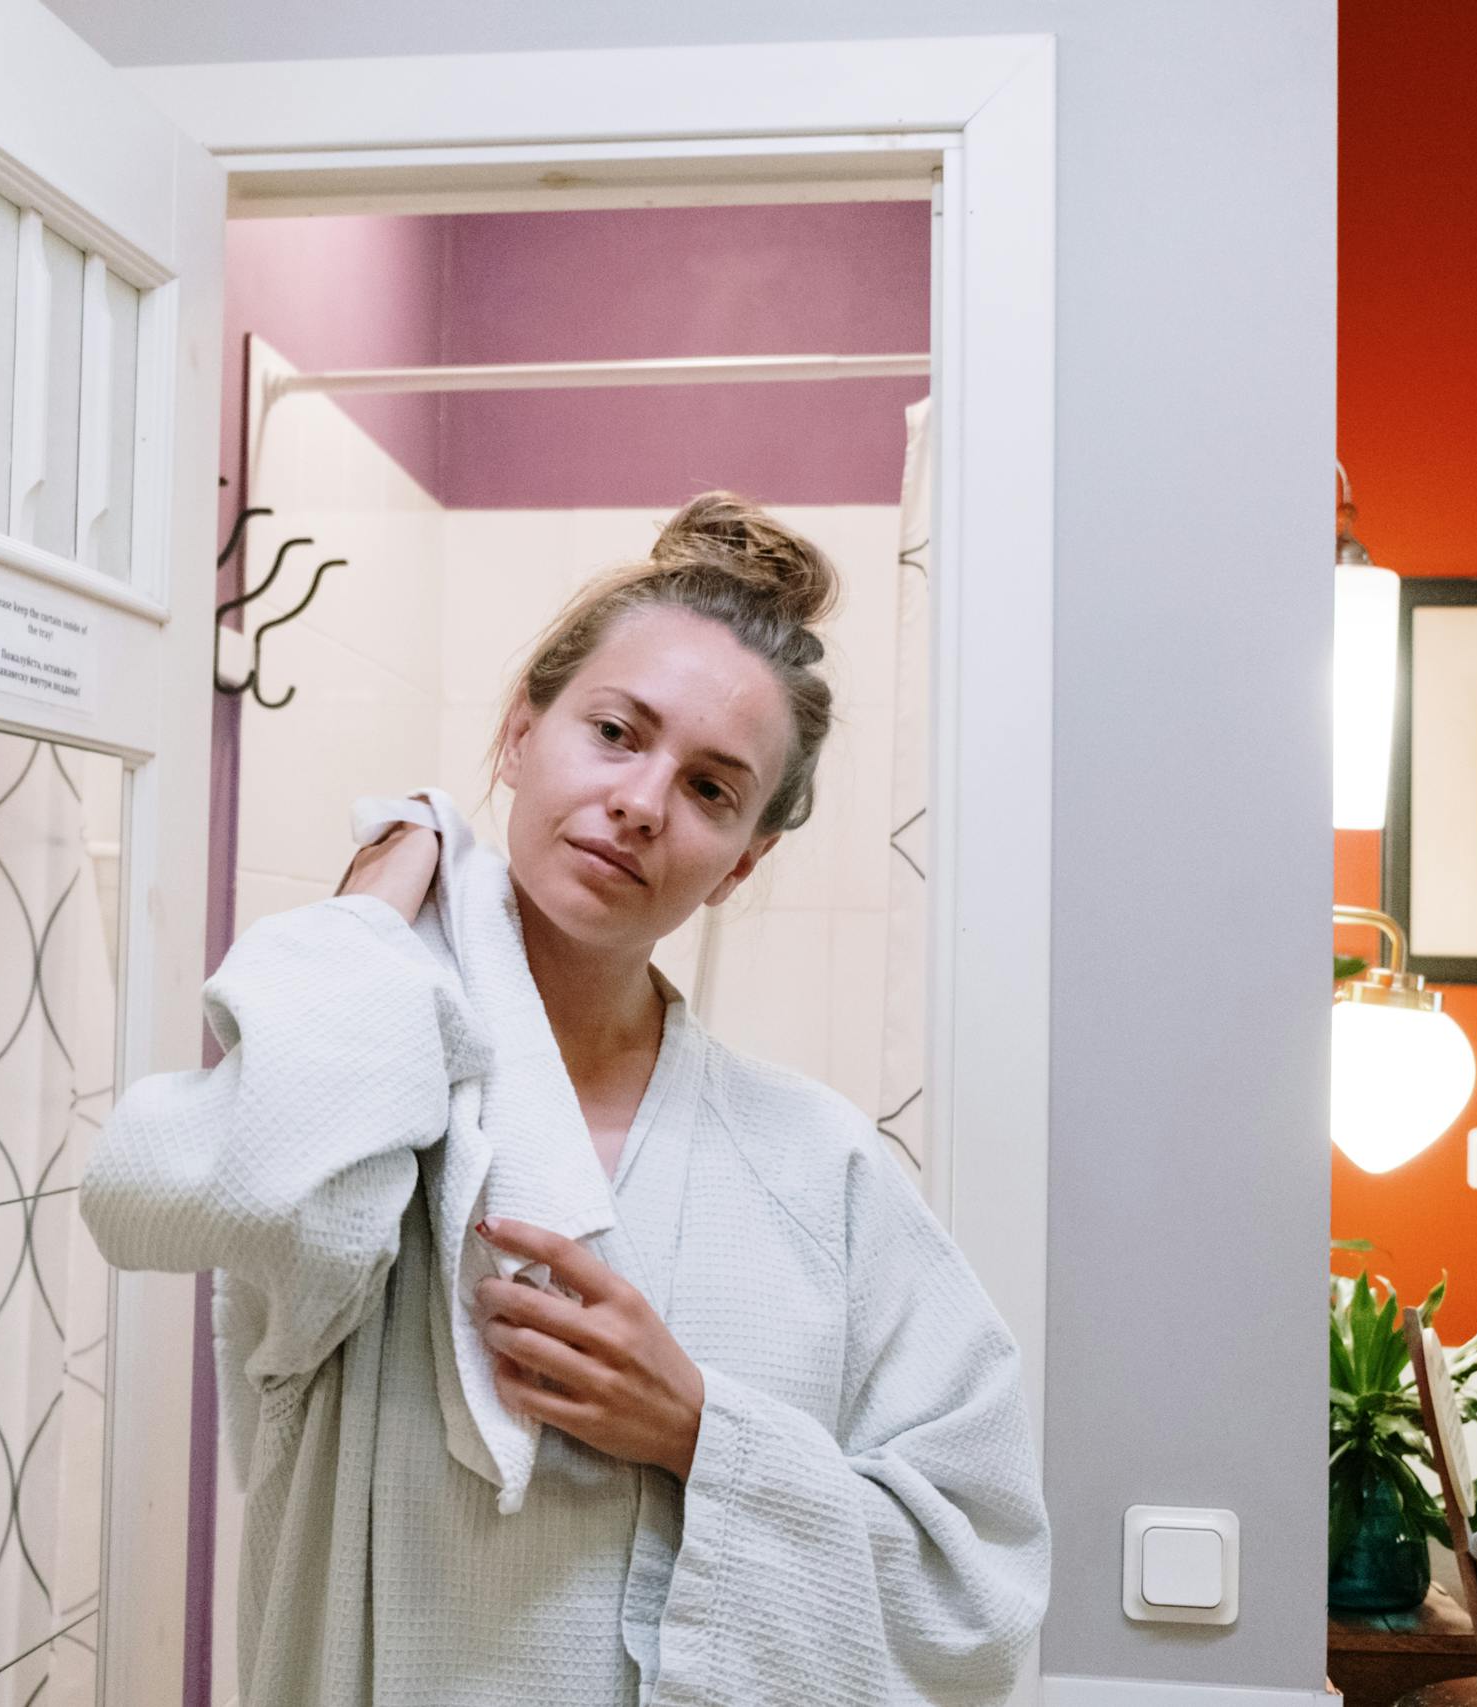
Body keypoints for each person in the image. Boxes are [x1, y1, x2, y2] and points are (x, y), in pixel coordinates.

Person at [81, 493, 1048, 1705]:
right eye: (614, 732)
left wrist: (699, 1433)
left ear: (744, 858)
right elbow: (188, 1193)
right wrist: (376, 904)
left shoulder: (820, 1167)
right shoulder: (372, 1106)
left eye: (710, 789)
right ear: (519, 731)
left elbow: (980, 1599)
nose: (644, 801)